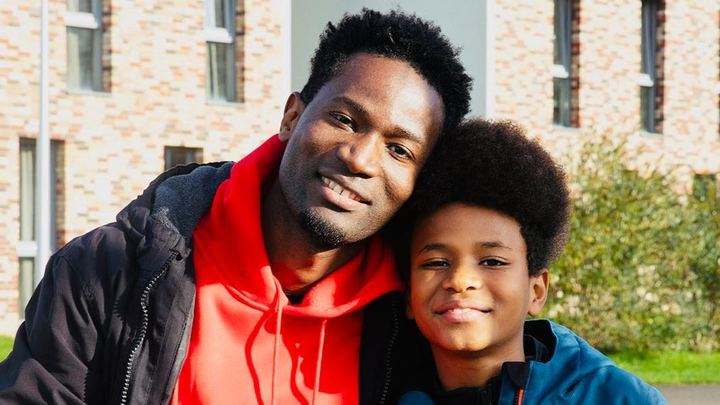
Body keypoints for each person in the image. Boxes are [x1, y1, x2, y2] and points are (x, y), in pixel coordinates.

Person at [0, 9, 472, 405]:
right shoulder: (109, 271)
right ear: (292, 117)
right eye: (345, 119)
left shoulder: (416, 316)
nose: (361, 158)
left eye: (399, 150)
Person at [394, 119, 668, 405]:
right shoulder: (380, 392)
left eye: (492, 262)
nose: (460, 280)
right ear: (409, 296)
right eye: (436, 262)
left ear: (536, 291)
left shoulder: (620, 399)